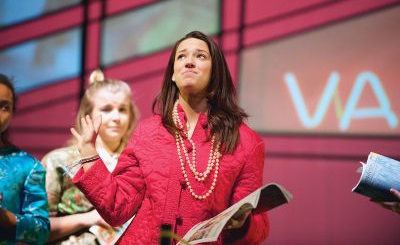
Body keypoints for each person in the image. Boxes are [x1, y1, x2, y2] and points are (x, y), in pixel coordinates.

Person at [70, 31, 270, 244]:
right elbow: (117, 208)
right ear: (173, 74)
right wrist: (90, 155)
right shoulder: (147, 132)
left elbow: (258, 228)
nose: (189, 62)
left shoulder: (246, 143)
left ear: (216, 72)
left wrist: (244, 225)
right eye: (181, 56)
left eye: (200, 56)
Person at [41, 70, 139, 244]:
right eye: (107, 109)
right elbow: (36, 228)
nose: (116, 117)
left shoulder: (137, 162)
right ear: (88, 114)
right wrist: (88, 218)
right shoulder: (59, 161)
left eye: (122, 109)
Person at [0, 74, 50, 244]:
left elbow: (41, 230)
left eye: (4, 107)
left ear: (13, 111)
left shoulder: (28, 166)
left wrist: (3, 216)